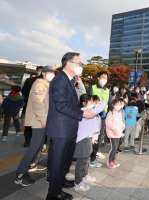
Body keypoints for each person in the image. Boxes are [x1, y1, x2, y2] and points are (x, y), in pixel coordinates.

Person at [46, 52, 96, 200]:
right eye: (79, 63)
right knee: (58, 162)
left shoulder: (69, 80)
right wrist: (83, 114)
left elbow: (70, 104)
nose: (81, 66)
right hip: (61, 130)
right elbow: (61, 106)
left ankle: (59, 182)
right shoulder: (60, 80)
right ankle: (54, 194)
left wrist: (83, 110)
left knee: (65, 160)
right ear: (69, 63)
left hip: (68, 128)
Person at [14, 66, 55, 186]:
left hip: (42, 121)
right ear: (43, 73)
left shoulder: (46, 84)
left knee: (37, 147)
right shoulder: (39, 84)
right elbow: (38, 102)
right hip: (39, 121)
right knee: (34, 147)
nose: (52, 74)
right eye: (49, 72)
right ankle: (20, 174)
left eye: (53, 72)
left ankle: (25, 170)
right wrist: (43, 119)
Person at [73, 94, 107, 191]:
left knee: (86, 159)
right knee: (80, 162)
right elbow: (98, 109)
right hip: (82, 140)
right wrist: (104, 101)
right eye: (91, 101)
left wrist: (94, 137)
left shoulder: (88, 111)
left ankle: (85, 175)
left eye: (93, 101)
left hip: (88, 138)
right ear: (84, 103)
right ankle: (78, 182)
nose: (93, 103)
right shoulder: (83, 111)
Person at [88, 71, 111, 152]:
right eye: (102, 77)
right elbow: (88, 101)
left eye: (106, 78)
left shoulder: (108, 90)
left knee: (101, 134)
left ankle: (97, 151)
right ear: (98, 78)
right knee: (92, 134)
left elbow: (110, 103)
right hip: (93, 115)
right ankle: (90, 152)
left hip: (103, 115)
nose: (104, 79)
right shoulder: (92, 87)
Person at [21, 66, 43, 148]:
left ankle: (41, 142)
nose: (40, 72)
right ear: (37, 71)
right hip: (30, 105)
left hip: (43, 107)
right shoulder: (30, 80)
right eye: (39, 70)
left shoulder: (48, 82)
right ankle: (27, 140)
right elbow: (24, 91)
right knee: (29, 123)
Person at [105, 98, 125, 169]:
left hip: (118, 133)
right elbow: (108, 122)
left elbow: (120, 121)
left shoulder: (119, 112)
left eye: (120, 104)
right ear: (113, 105)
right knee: (113, 148)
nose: (118, 105)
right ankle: (109, 161)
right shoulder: (111, 113)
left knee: (116, 148)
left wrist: (123, 125)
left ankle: (114, 160)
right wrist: (114, 128)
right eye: (117, 104)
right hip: (112, 133)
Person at [89, 95, 105, 168]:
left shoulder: (98, 114)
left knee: (95, 148)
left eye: (99, 103)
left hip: (96, 134)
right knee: (91, 149)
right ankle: (91, 161)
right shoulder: (91, 114)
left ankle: (93, 160)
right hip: (92, 135)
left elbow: (104, 115)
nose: (98, 105)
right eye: (97, 103)